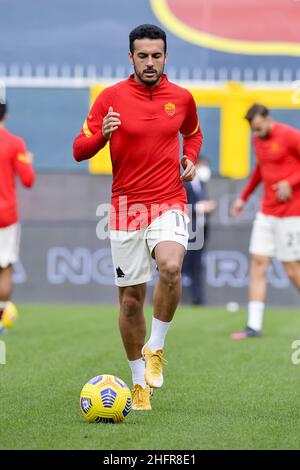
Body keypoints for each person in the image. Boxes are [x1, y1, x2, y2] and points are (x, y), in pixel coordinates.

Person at [73, 24, 203, 410]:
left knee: (171, 266)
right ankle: (137, 383)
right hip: (126, 208)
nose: (150, 62)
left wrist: (190, 160)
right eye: (142, 56)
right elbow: (79, 149)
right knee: (130, 302)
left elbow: (193, 134)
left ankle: (157, 347)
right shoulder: (110, 98)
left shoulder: (181, 98)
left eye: (156, 55)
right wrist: (103, 135)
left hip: (169, 200)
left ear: (166, 56)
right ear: (130, 57)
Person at [230, 103, 300, 339]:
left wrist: (289, 183)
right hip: (266, 212)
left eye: (259, 128)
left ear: (269, 119)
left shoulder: (289, 135)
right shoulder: (258, 139)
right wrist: (243, 197)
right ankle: (253, 325)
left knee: (292, 270)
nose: (256, 133)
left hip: (291, 213)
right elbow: (261, 170)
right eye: (253, 129)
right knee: (258, 262)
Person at [0, 100, 35, 333]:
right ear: (6, 115)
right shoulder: (14, 143)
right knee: (5, 268)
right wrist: (27, 162)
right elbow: (28, 180)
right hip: (5, 215)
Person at [183, 156, 216, 305]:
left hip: (201, 230)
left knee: (197, 265)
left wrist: (207, 207)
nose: (205, 169)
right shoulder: (186, 183)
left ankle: (198, 299)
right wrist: (199, 207)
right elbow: (184, 205)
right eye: (203, 165)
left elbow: (202, 203)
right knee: (182, 264)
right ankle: (171, 297)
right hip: (189, 230)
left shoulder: (201, 184)